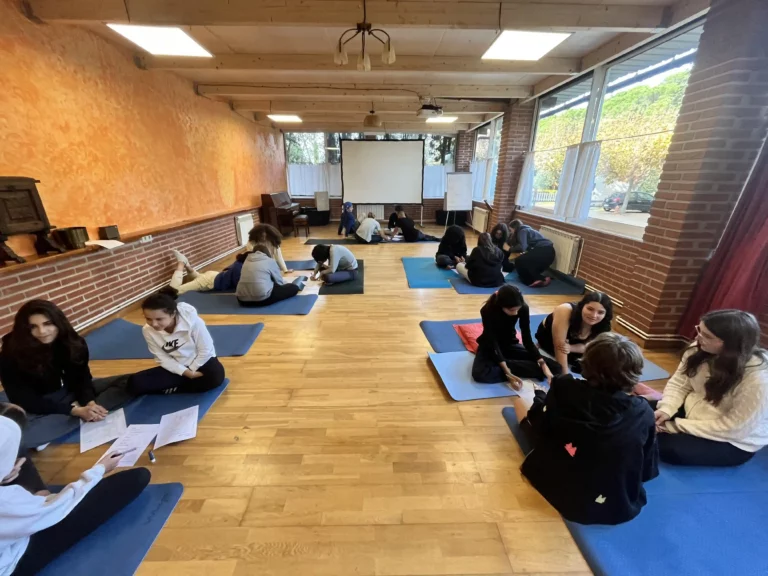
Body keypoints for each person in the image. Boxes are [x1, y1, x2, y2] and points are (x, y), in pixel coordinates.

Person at [510, 332, 658, 525]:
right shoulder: (642, 411)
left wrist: (541, 399)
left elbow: (543, 427)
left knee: (521, 402)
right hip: (616, 503)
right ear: (634, 373)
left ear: (587, 363)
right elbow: (647, 469)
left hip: (559, 485)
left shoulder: (564, 385)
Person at [0, 414, 151, 575]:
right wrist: (100, 469)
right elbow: (57, 507)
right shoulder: (7, 502)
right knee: (135, 479)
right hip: (11, 564)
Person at [0, 301, 135, 448]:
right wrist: (73, 410)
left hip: (70, 391)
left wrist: (89, 402)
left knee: (130, 381)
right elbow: (24, 399)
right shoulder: (11, 353)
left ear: (58, 322)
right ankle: (80, 415)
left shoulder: (72, 342)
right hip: (39, 402)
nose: (42, 331)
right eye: (33, 327)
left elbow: (82, 378)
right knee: (15, 438)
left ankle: (89, 412)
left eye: (48, 323)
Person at [653, 310, 768, 467]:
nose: (697, 337)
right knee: (637, 410)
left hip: (731, 439)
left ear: (730, 343)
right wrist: (666, 409)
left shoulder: (758, 380)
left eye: (707, 336)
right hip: (693, 412)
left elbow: (735, 427)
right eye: (699, 330)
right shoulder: (699, 348)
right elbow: (680, 384)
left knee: (668, 448)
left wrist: (674, 426)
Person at [129, 288, 226, 395]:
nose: (154, 324)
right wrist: (185, 372)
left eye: (159, 319)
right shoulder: (147, 330)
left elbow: (205, 350)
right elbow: (162, 358)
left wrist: (192, 370)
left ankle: (172, 387)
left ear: (173, 314)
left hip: (202, 362)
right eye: (148, 319)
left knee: (215, 377)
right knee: (136, 383)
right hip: (178, 365)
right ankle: (175, 385)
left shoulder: (193, 321)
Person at [472, 285, 560, 388]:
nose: (515, 313)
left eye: (517, 309)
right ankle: (506, 365)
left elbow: (527, 339)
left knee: (555, 368)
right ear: (501, 305)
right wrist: (507, 372)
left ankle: (503, 364)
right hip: (490, 345)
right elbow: (492, 340)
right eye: (512, 310)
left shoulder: (523, 308)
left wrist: (543, 365)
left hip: (510, 343)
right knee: (479, 373)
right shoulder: (487, 310)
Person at [536, 292, 614, 375]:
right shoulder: (565, 310)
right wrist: (565, 377)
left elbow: (594, 346)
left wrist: (571, 348)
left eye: (600, 312)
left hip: (574, 348)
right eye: (590, 309)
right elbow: (559, 347)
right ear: (582, 306)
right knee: (557, 369)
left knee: (607, 357)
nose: (594, 316)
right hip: (550, 341)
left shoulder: (604, 322)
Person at [235, 244, 305, 307]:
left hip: (242, 300)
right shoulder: (270, 261)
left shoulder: (246, 261)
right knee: (294, 288)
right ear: (267, 253)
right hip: (262, 299)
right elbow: (279, 282)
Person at [166, 249, 244, 294]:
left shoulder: (242, 263)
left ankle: (187, 266)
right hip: (209, 281)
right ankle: (181, 263)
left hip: (213, 276)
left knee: (200, 277)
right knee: (174, 292)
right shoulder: (239, 266)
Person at [508, 219, 555, 287]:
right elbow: (526, 248)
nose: (511, 232)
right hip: (548, 251)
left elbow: (522, 247)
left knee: (519, 260)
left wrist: (510, 249)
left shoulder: (522, 231)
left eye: (510, 230)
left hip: (545, 250)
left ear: (514, 228)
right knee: (527, 262)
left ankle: (532, 281)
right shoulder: (527, 229)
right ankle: (540, 278)